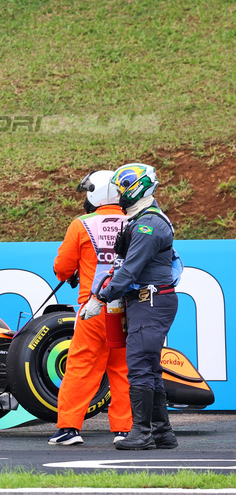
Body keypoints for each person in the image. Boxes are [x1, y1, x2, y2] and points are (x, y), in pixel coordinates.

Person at [91, 163, 180, 451]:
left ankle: (142, 433)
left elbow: (128, 271)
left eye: (122, 188)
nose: (118, 194)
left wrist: (100, 298)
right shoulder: (141, 220)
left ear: (136, 188)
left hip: (150, 300)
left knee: (141, 368)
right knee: (149, 369)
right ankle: (162, 433)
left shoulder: (148, 224)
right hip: (147, 300)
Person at [47, 170, 131, 446]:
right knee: (123, 370)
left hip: (93, 309)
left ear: (96, 193)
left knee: (81, 366)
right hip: (130, 309)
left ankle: (69, 428)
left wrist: (74, 271)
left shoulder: (82, 224)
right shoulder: (136, 221)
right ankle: (125, 430)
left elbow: (62, 268)